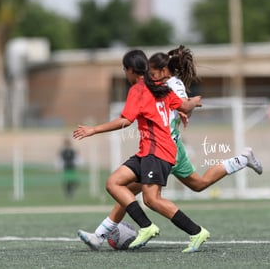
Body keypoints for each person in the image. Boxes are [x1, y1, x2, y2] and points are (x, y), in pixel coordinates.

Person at [76, 46, 263, 252]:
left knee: (145, 196)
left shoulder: (161, 85)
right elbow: (181, 106)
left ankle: (154, 229)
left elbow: (138, 116)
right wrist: (190, 105)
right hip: (161, 147)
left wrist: (188, 105)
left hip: (165, 148)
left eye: (154, 70)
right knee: (184, 185)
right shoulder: (162, 85)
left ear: (162, 70)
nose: (152, 73)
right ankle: (241, 160)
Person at [73, 49, 207, 253]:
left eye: (124, 70)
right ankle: (134, 228)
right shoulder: (160, 85)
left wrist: (94, 129)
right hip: (149, 151)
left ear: (129, 70)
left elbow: (126, 120)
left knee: (151, 199)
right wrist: (194, 102)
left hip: (158, 150)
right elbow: (183, 106)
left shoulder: (139, 89)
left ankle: (195, 232)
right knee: (114, 183)